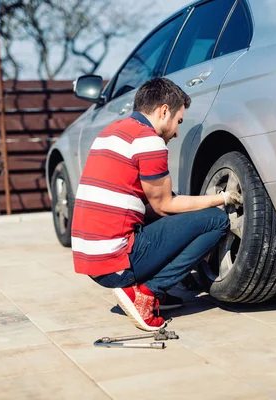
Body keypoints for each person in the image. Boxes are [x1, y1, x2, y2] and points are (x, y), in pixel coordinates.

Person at [71, 77, 243, 331]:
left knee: (176, 217)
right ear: (164, 111)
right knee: (215, 220)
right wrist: (222, 198)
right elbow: (164, 206)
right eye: (178, 121)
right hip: (116, 262)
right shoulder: (148, 141)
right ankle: (148, 293)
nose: (176, 132)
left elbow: (146, 205)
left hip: (92, 261)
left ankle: (151, 288)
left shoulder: (111, 132)